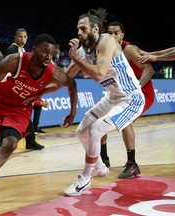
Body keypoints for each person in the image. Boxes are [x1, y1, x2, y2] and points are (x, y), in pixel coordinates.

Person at [0, 33, 78, 206]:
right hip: (0, 101)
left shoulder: (52, 71)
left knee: (10, 144)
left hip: (20, 110)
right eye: (44, 51)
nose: (48, 56)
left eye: (52, 53)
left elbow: (72, 85)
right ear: (34, 49)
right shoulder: (14, 61)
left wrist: (71, 112)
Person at [61, 11, 145, 196]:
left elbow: (99, 73)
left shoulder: (106, 41)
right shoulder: (83, 51)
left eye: (83, 29)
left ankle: (84, 179)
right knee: (81, 131)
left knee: (96, 129)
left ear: (95, 29)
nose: (79, 33)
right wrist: (38, 88)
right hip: (112, 97)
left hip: (131, 98)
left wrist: (75, 57)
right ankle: (99, 166)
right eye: (78, 29)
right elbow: (66, 77)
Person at [98, 21, 155, 179]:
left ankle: (132, 164)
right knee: (101, 117)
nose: (113, 36)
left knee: (125, 120)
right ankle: (104, 158)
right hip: (120, 93)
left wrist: (136, 86)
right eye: (110, 33)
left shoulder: (128, 49)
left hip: (142, 93)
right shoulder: (106, 49)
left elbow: (149, 69)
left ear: (122, 35)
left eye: (116, 33)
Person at [0, 28, 45, 149]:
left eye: (25, 37)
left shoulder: (21, 49)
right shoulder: (12, 49)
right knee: (18, 114)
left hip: (15, 86)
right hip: (11, 86)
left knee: (20, 115)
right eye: (20, 37)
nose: (22, 39)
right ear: (15, 37)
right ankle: (28, 141)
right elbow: (10, 69)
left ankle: (29, 141)